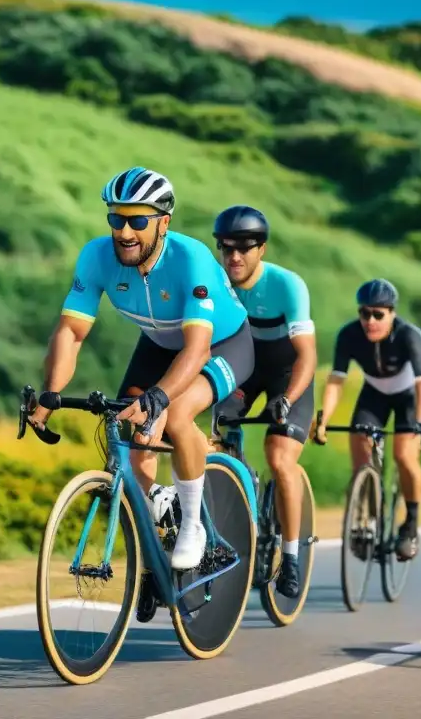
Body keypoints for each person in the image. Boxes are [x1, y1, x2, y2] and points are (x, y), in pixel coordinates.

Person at [26, 166, 255, 585]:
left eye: (138, 220)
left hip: (220, 343)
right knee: (134, 440)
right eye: (116, 219)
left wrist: (161, 398)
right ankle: (158, 528)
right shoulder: (96, 257)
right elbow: (72, 331)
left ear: (163, 222)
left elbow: (197, 348)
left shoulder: (191, 260)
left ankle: (193, 525)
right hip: (159, 343)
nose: (125, 232)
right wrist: (50, 393)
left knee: (179, 413)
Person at [198, 204, 318, 599]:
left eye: (244, 248)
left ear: (261, 249)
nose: (234, 257)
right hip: (243, 371)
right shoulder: (213, 283)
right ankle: (234, 505)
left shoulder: (288, 286)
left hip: (288, 375)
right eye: (226, 248)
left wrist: (288, 398)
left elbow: (307, 355)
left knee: (280, 458)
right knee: (215, 442)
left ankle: (291, 555)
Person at [312, 279, 421, 561]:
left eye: (378, 314)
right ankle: (366, 517)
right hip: (376, 391)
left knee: (404, 455)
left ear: (392, 313)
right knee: (360, 442)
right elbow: (336, 380)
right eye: (364, 313)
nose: (370, 321)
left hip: (414, 393)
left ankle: (410, 524)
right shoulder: (349, 335)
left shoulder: (409, 335)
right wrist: (323, 418)